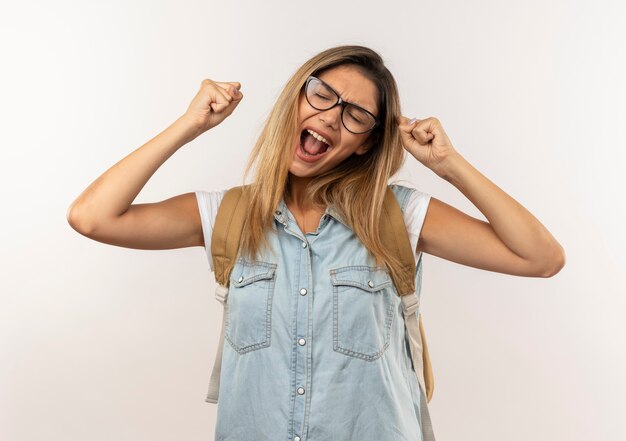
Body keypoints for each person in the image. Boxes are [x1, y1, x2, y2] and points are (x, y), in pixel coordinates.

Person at [67, 45, 566, 441]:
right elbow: (91, 217)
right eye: (323, 95)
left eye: (356, 115)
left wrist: (449, 165)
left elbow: (541, 257)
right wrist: (189, 125)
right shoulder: (229, 215)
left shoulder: (397, 214)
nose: (331, 117)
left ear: (367, 141)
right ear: (297, 98)